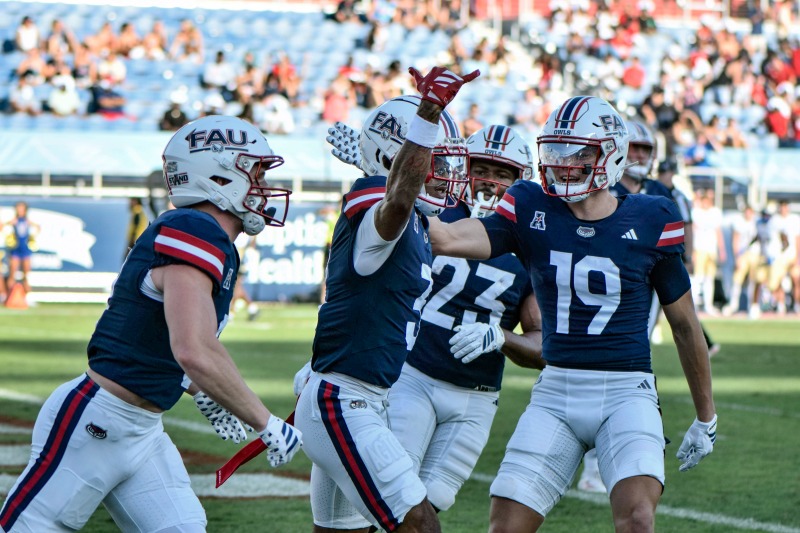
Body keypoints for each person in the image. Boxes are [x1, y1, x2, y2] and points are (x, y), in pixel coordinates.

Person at [428, 95, 717, 532]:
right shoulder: (529, 204)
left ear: (611, 154)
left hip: (627, 391)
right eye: (557, 151)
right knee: (505, 527)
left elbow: (684, 326)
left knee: (637, 520)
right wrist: (386, 185)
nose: (563, 163)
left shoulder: (652, 216)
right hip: (556, 390)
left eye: (579, 152)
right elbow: (447, 239)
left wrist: (705, 416)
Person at [0, 116, 302, 532]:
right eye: (255, 172)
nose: (263, 186)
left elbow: (158, 335)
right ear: (217, 174)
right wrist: (263, 420)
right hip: (97, 423)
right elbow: (193, 348)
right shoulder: (193, 227)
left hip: (143, 431)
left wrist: (201, 391)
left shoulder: (205, 235)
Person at [293, 66, 478, 533]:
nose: (444, 176)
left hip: (358, 398)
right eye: (434, 162)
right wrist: (427, 114)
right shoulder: (382, 208)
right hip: (344, 402)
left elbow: (434, 220)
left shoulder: (416, 222)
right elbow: (394, 198)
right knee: (419, 526)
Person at [5, 201, 40, 294]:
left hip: (25, 250)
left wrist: (33, 237)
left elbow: (38, 228)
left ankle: (25, 297)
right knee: (12, 274)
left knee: (26, 275)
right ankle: (9, 297)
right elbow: (3, 227)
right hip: (15, 250)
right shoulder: (14, 221)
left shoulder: (27, 221)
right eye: (18, 208)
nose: (19, 210)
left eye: (21, 208)